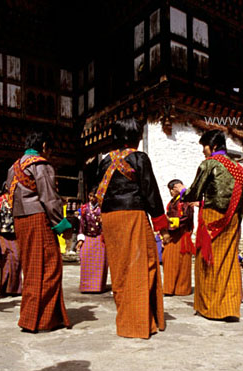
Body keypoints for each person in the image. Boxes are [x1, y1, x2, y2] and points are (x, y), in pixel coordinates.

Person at [97, 118, 169, 338]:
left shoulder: (105, 161)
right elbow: (150, 191)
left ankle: (130, 318)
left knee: (119, 270)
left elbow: (99, 192)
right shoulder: (139, 158)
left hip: (109, 218)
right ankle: (137, 323)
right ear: (135, 136)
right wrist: (161, 224)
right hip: (132, 215)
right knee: (141, 266)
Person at [5, 131, 71, 332]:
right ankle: (43, 319)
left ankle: (30, 316)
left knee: (31, 268)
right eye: (49, 149)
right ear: (43, 146)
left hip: (20, 221)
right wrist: (62, 226)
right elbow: (49, 198)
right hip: (38, 220)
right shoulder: (40, 165)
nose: (49, 154)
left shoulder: (13, 167)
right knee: (50, 266)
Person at [183, 129, 243, 321]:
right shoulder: (238, 167)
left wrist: (183, 192)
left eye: (205, 146)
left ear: (213, 146)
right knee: (228, 259)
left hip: (213, 216)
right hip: (233, 217)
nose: (203, 151)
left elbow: (195, 193)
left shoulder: (210, 163)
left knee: (208, 258)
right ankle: (229, 307)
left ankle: (211, 307)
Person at [162, 179, 195, 296]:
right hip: (172, 234)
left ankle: (182, 289)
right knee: (169, 260)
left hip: (181, 234)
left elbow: (187, 216)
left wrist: (172, 221)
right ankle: (169, 288)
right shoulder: (172, 202)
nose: (171, 192)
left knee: (182, 262)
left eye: (172, 189)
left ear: (176, 188)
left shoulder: (185, 200)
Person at [0, 190, 22, 296]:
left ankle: (15, 289)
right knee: (6, 260)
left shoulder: (18, 200)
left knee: (16, 259)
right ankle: (4, 289)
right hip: (3, 235)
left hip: (16, 235)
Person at [77, 192, 108, 293]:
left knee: (100, 262)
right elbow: (82, 224)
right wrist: (81, 239)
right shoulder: (84, 208)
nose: (91, 198)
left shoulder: (103, 208)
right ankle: (86, 286)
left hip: (99, 237)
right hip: (88, 237)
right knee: (86, 260)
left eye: (93, 196)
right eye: (90, 196)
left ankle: (98, 287)